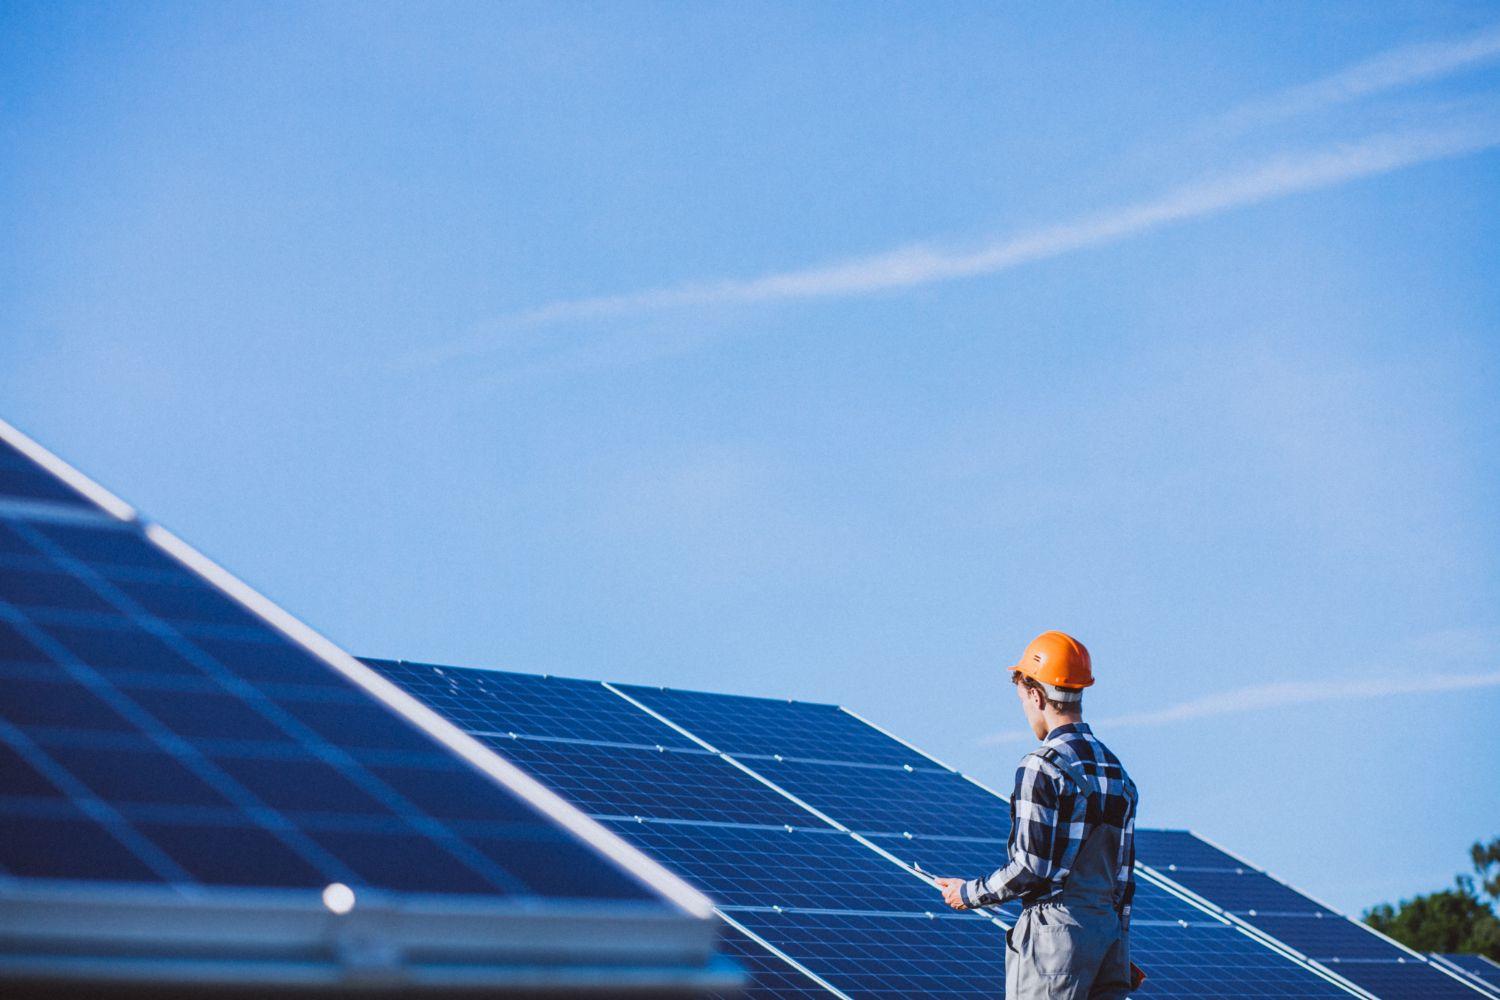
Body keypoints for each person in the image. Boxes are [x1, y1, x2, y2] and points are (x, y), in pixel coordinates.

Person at [934, 631, 1139, 999]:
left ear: (1036, 695)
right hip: (1107, 939)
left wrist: (968, 892)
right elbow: (1122, 882)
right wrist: (1118, 951)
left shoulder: (1041, 766)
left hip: (1053, 941)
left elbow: (1031, 867)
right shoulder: (1118, 773)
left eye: (1023, 701)